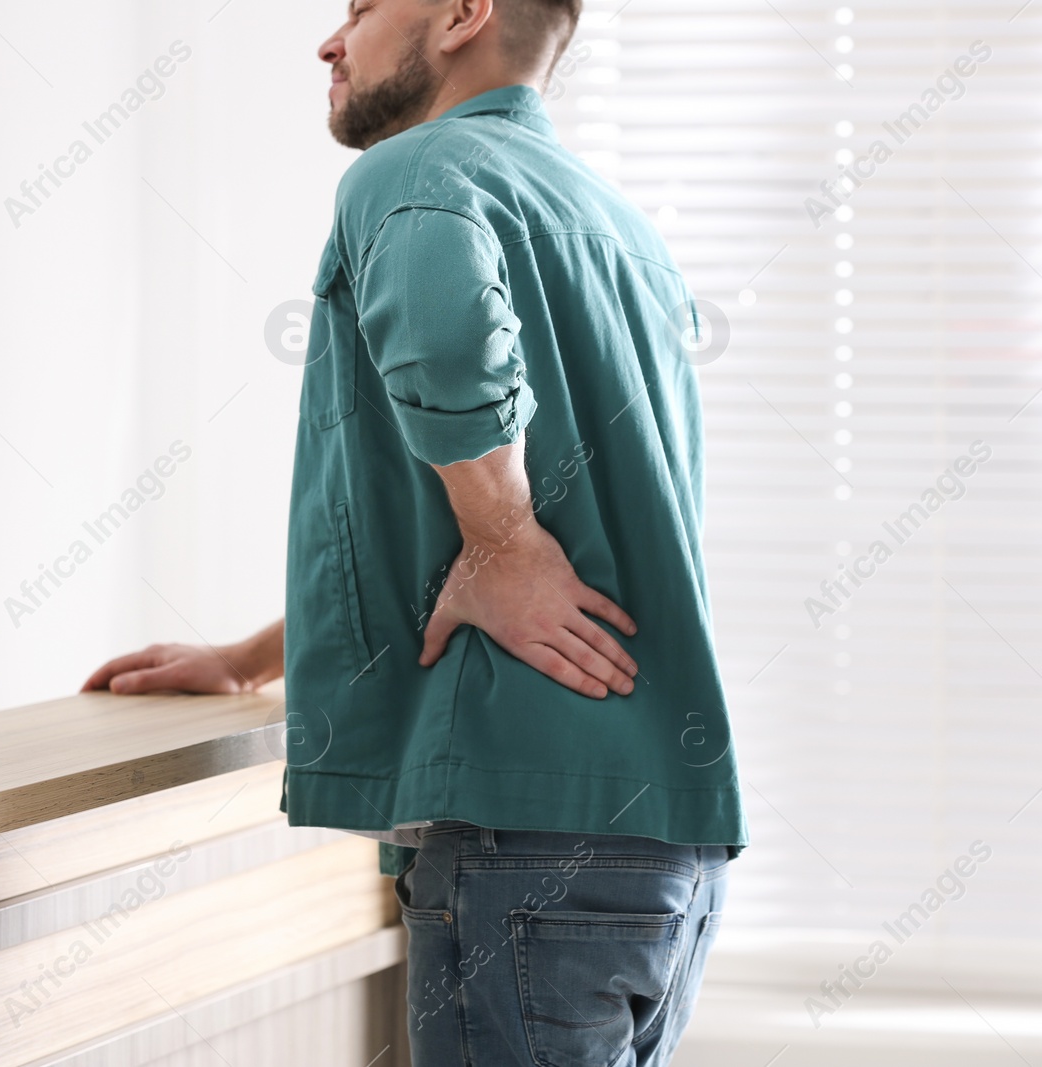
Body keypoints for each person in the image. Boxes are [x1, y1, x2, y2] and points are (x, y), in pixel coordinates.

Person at [83, 0, 746, 1061]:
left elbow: (446, 347)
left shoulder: (414, 173)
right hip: (664, 848)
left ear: (460, 16)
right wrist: (254, 656)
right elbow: (516, 521)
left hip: (525, 828)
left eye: (360, 8)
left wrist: (503, 545)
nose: (329, 41)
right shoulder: (616, 225)